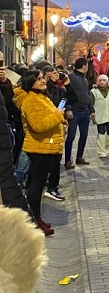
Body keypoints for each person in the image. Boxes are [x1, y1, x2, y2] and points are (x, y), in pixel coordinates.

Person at [13, 70, 68, 236]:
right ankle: (33, 222)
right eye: (39, 79)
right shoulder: (30, 99)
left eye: (43, 77)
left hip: (46, 147)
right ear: (30, 82)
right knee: (35, 187)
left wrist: (62, 122)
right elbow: (38, 125)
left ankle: (37, 217)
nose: (43, 80)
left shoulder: (40, 97)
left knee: (36, 185)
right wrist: (58, 117)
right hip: (39, 148)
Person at [41, 65, 78, 201]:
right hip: (49, 127)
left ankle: (52, 186)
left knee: (56, 158)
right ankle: (50, 187)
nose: (58, 75)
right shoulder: (45, 88)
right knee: (51, 159)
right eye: (54, 73)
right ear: (46, 75)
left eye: (58, 72)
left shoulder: (58, 89)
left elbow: (73, 99)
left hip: (58, 127)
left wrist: (67, 84)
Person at [64, 58, 95, 169]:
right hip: (74, 111)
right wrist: (68, 108)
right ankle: (67, 160)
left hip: (84, 111)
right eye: (87, 65)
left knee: (84, 135)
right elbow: (66, 93)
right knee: (71, 136)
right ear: (84, 66)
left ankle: (79, 157)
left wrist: (91, 110)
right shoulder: (71, 77)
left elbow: (87, 95)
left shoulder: (85, 80)